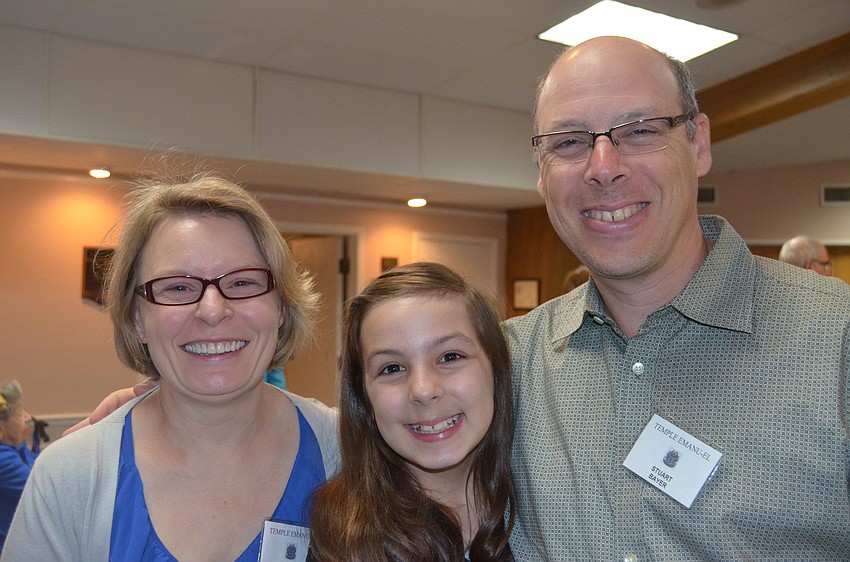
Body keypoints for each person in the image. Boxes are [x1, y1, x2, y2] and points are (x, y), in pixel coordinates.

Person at [505, 35, 850, 560]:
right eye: (569, 142)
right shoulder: (505, 365)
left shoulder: (836, 339)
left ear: (698, 144)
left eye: (640, 130)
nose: (603, 166)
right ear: (540, 169)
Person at [2, 173, 339, 561]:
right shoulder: (69, 478)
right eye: (178, 287)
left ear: (280, 306)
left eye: (243, 283)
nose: (212, 310)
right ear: (136, 318)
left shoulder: (349, 453)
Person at [308, 262, 515, 562]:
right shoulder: (338, 538)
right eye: (392, 368)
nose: (422, 389)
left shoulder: (547, 513)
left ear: (495, 370)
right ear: (364, 397)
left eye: (450, 357)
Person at [0, 381, 35, 555]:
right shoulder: (3, 459)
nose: (27, 418)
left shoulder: (14, 449)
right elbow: (37, 489)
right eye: (19, 414)